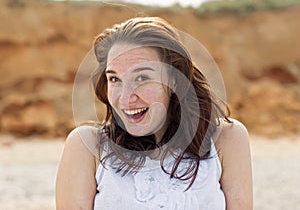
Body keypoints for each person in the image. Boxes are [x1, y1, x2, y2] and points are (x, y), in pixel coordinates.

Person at [56, 16, 253, 210]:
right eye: (114, 79)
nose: (125, 98)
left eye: (142, 77)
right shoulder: (88, 146)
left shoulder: (226, 139)